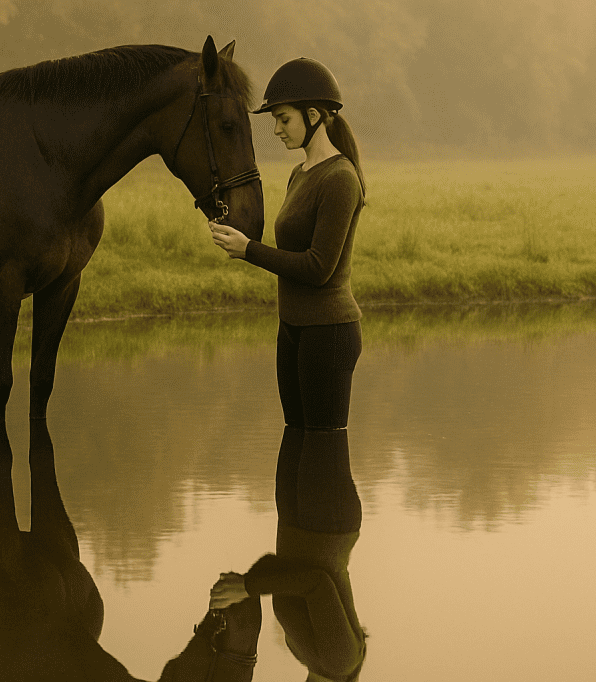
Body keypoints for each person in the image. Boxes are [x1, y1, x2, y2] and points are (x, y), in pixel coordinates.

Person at [209, 57, 367, 681]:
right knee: (295, 449)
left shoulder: (340, 178)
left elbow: (320, 269)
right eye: (275, 119)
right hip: (296, 332)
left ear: (316, 116)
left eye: (282, 118)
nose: (275, 128)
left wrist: (249, 252)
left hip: (328, 334)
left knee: (317, 453)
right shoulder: (303, 174)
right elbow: (309, 585)